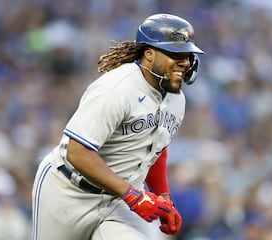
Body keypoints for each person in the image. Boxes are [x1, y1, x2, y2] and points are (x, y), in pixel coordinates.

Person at [32, 13, 204, 240]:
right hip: (68, 191)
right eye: (175, 54)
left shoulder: (176, 99)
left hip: (120, 201)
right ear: (149, 54)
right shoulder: (116, 88)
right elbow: (77, 152)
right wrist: (131, 194)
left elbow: (155, 149)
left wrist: (163, 196)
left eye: (187, 54)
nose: (184, 62)